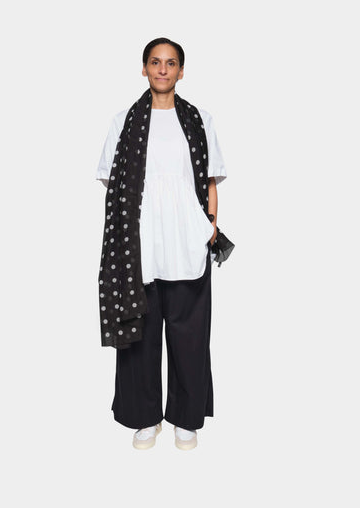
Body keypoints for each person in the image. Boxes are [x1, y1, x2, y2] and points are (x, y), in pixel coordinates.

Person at [96, 37, 227, 450]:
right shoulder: (123, 121)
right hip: (141, 246)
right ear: (144, 68)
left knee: (190, 337)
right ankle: (144, 417)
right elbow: (114, 185)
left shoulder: (199, 120)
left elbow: (209, 180)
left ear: (181, 71)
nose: (163, 69)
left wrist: (210, 226)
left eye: (171, 63)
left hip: (187, 243)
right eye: (155, 62)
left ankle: (185, 418)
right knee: (141, 336)